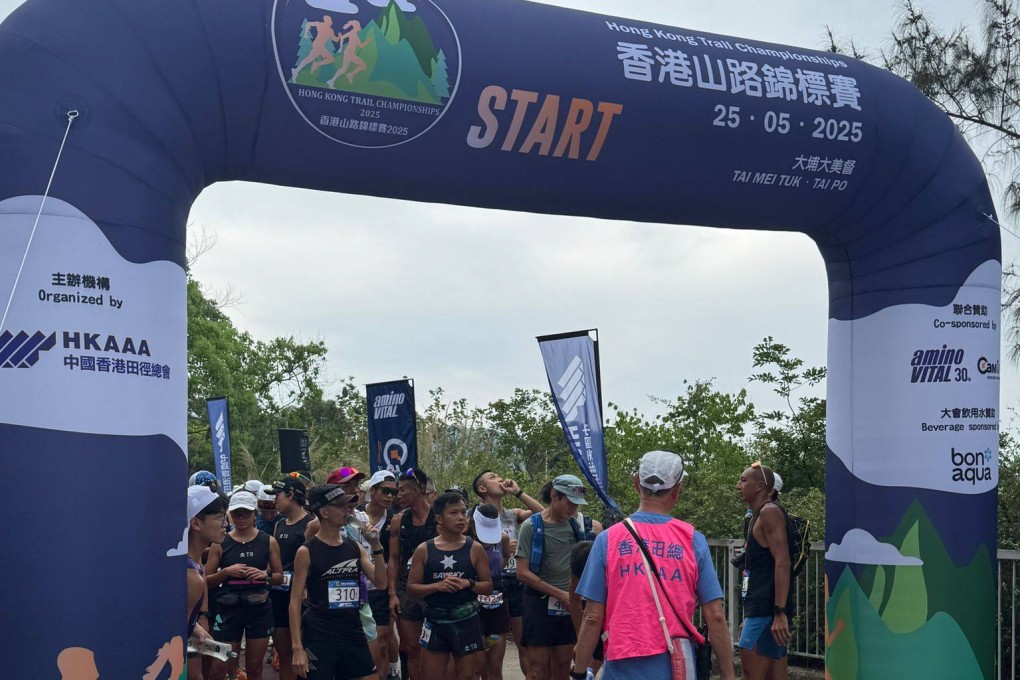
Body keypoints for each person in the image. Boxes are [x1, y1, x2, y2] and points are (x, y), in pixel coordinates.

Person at [572, 450, 735, 680]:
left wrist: (579, 672)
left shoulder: (608, 540)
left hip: (622, 665)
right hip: (677, 665)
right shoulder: (692, 539)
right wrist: (728, 675)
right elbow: (715, 615)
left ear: (636, 482)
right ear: (677, 489)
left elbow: (591, 616)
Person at [290, 485, 388, 680]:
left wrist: (377, 546)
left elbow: (381, 583)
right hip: (318, 635)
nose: (347, 510)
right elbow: (294, 602)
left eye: (349, 506)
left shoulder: (355, 547)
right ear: (324, 512)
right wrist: (297, 648)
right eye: (341, 506)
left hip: (352, 630)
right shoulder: (306, 551)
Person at [515, 475, 601, 680]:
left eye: (577, 505)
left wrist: (571, 597)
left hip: (570, 605)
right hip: (539, 603)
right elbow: (522, 572)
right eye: (570, 503)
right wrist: (560, 594)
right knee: (537, 668)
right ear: (555, 496)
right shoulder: (532, 526)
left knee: (563, 665)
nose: (574, 509)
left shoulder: (581, 528)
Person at [407, 492, 493, 680]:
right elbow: (411, 589)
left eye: (463, 512)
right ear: (439, 519)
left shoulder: (474, 548)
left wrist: (468, 583)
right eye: (453, 513)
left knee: (466, 677)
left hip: (466, 621)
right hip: (435, 621)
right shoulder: (424, 549)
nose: (461, 518)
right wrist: (437, 586)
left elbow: (488, 586)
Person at [471, 470, 545, 677]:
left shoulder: (512, 514)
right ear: (482, 489)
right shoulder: (474, 517)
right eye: (493, 477)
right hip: (490, 583)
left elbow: (543, 513)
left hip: (516, 581)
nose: (500, 479)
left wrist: (518, 492)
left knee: (524, 643)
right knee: (488, 650)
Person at [205, 490, 284, 680]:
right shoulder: (220, 543)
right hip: (229, 609)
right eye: (236, 513)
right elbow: (205, 581)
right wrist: (225, 572)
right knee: (220, 666)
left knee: (254, 667)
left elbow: (279, 576)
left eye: (246, 513)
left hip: (258, 609)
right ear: (230, 514)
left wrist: (265, 575)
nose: (241, 518)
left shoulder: (268, 541)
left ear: (255, 514)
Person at [736, 463, 792, 680]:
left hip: (767, 611)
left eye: (743, 480)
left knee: (751, 676)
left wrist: (779, 612)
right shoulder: (758, 515)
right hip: (760, 610)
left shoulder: (769, 512)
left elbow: (783, 562)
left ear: (760, 486)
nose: (738, 485)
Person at [388, 468, 436, 680]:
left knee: (438, 648)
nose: (398, 496)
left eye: (402, 491)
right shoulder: (399, 520)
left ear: (415, 492)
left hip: (436, 589)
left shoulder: (440, 518)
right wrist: (392, 594)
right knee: (411, 647)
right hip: (407, 590)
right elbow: (394, 559)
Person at [265, 476, 313, 680]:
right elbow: (274, 561)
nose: (274, 500)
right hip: (278, 594)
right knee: (284, 654)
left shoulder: (311, 523)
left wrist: (307, 589)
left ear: (291, 495)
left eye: (278, 495)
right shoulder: (279, 524)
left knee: (307, 653)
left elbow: (314, 562)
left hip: (302, 597)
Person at [186, 485, 228, 680]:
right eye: (219, 517)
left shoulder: (195, 567)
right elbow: (175, 639)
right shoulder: (190, 577)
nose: (226, 524)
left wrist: (195, 628)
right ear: (196, 523)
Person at [364, 470, 401, 680]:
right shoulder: (355, 515)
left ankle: (386, 674)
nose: (389, 496)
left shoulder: (395, 519)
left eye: (393, 492)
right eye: (385, 491)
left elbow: (395, 558)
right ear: (372, 491)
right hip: (357, 586)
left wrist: (392, 591)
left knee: (382, 640)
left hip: (382, 586)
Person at [470, 503, 512, 680]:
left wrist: (490, 577)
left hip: (496, 599)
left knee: (494, 664)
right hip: (470, 599)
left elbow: (505, 559)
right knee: (477, 665)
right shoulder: (464, 540)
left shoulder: (502, 538)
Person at [566, 541, 602, 677]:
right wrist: (580, 639)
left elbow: (593, 618)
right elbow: (574, 601)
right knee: (587, 670)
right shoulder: (578, 567)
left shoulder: (610, 571)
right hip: (594, 618)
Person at [327, 20, 373, 88]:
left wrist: (367, 41)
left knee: (362, 65)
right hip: (348, 53)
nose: (360, 27)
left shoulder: (356, 36)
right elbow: (342, 37)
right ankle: (331, 81)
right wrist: (340, 48)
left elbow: (360, 46)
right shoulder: (352, 33)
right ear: (356, 27)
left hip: (352, 54)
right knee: (343, 69)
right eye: (359, 26)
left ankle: (350, 74)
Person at [291, 15, 339, 80]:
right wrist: (305, 33)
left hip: (321, 47)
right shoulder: (320, 24)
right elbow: (308, 24)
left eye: (331, 21)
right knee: (309, 59)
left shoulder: (331, 30)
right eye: (330, 20)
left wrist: (340, 36)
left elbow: (335, 40)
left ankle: (315, 64)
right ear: (326, 21)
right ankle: (296, 70)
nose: (331, 22)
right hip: (317, 45)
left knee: (330, 59)